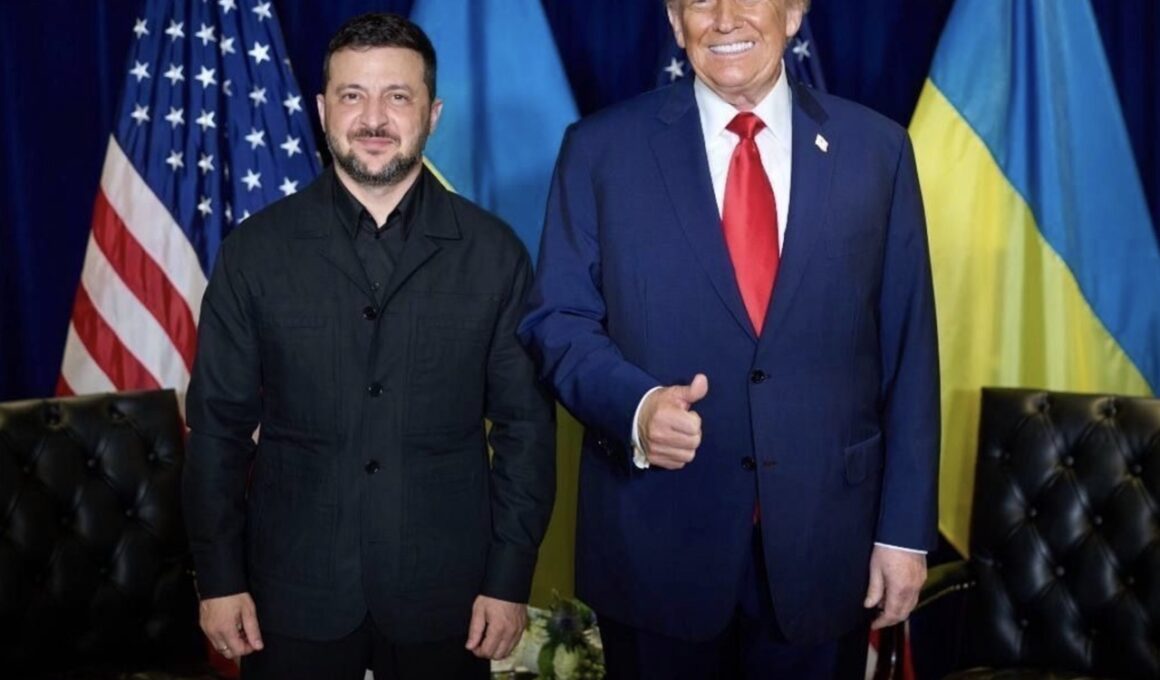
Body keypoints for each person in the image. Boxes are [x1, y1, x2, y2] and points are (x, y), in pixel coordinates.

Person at [518, 0, 940, 677]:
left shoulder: (877, 151)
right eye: (698, 1)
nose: (723, 19)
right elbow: (556, 321)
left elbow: (909, 350)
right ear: (674, 18)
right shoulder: (600, 150)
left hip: (826, 547)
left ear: (794, 12)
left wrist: (904, 533)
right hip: (657, 544)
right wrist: (638, 407)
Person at [182, 13, 556, 680]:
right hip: (290, 598)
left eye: (398, 96)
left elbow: (527, 431)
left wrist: (509, 579)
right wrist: (218, 577)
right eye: (353, 95)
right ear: (323, 109)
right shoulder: (254, 253)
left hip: (451, 600)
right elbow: (218, 430)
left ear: (433, 113)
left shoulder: (496, 255)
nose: (373, 118)